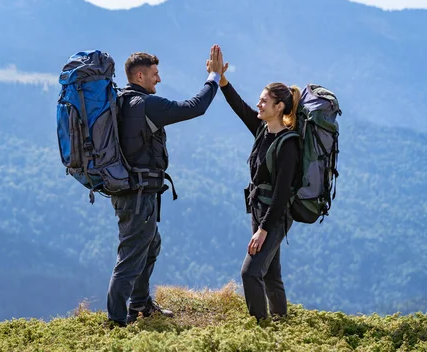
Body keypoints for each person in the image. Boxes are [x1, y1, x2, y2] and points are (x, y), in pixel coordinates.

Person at [107, 45, 224, 327]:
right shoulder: (147, 105)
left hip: (130, 192)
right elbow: (195, 107)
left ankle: (139, 304)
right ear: (139, 76)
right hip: (138, 196)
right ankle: (115, 322)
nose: (158, 79)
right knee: (131, 258)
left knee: (150, 245)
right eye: (154, 74)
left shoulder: (121, 102)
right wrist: (214, 77)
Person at [217, 66, 301, 321]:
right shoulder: (262, 131)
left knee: (250, 272)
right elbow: (240, 106)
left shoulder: (289, 145)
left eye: (264, 100)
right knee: (271, 274)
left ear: (279, 107)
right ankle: (280, 322)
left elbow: (281, 194)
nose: (258, 104)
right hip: (258, 210)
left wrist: (263, 229)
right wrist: (221, 80)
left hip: (274, 216)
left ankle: (260, 331)